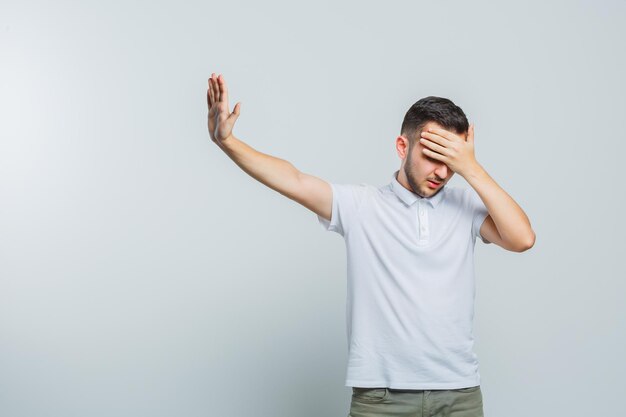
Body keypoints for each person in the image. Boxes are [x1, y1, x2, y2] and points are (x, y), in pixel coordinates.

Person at [207, 72, 535, 417]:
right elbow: (294, 180)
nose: (441, 172)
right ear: (402, 147)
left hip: (459, 393)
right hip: (381, 398)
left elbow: (522, 238)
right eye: (432, 156)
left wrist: (471, 168)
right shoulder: (361, 205)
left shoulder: (466, 206)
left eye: (450, 161)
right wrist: (228, 143)